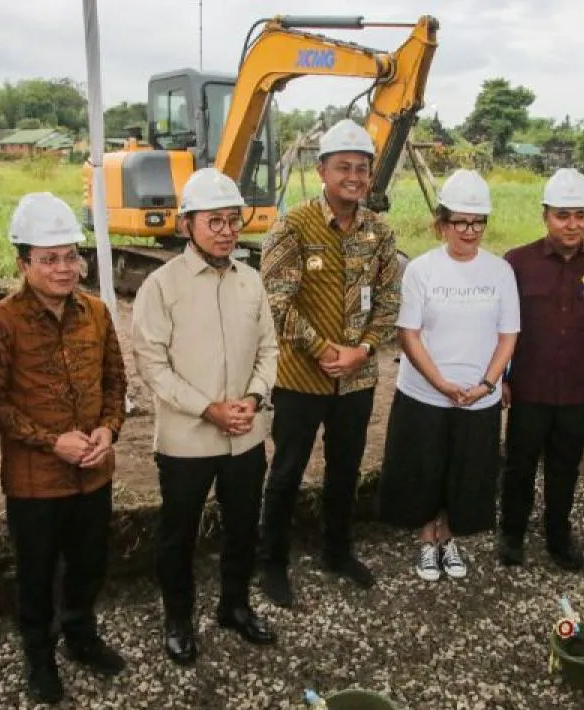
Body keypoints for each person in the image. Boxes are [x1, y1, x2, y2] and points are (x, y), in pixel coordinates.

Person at [0, 193, 128, 705]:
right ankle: (38, 656)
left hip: (94, 472)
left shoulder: (97, 313)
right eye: (49, 259)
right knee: (36, 572)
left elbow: (114, 381)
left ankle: (81, 636)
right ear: (23, 264)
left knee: (89, 563)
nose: (64, 269)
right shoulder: (0, 322)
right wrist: (50, 441)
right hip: (35, 481)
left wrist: (108, 430)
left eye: (70, 257)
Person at [131, 168, 280, 665]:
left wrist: (253, 398)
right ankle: (178, 619)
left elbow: (269, 350)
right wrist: (207, 409)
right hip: (186, 440)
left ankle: (235, 606)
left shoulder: (251, 282)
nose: (226, 231)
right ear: (186, 225)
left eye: (233, 220)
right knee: (179, 535)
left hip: (245, 434)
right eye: (214, 221)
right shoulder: (161, 286)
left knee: (243, 526)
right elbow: (152, 365)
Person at [257, 118, 402, 607]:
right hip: (301, 377)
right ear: (322, 170)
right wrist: (322, 349)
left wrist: (363, 350)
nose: (354, 177)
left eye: (362, 168)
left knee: (345, 468)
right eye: (344, 167)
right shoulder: (293, 226)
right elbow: (276, 301)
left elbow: (389, 299)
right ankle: (272, 564)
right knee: (287, 471)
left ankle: (337, 552)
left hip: (357, 378)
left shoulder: (379, 232)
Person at [378, 170, 519, 581]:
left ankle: (450, 535)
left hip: (479, 396)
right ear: (441, 224)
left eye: (477, 222)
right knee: (425, 467)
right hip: (425, 393)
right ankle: (427, 538)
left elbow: (508, 334)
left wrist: (488, 384)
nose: (469, 231)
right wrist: (440, 383)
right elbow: (408, 333)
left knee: (466, 469)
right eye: (460, 222)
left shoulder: (500, 272)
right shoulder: (422, 270)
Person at [499, 167, 584, 571]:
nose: (572, 225)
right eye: (562, 215)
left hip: (579, 391)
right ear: (545, 216)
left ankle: (558, 535)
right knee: (519, 464)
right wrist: (500, 378)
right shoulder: (517, 262)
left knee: (565, 467)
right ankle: (512, 534)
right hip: (529, 388)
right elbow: (499, 324)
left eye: (579, 215)